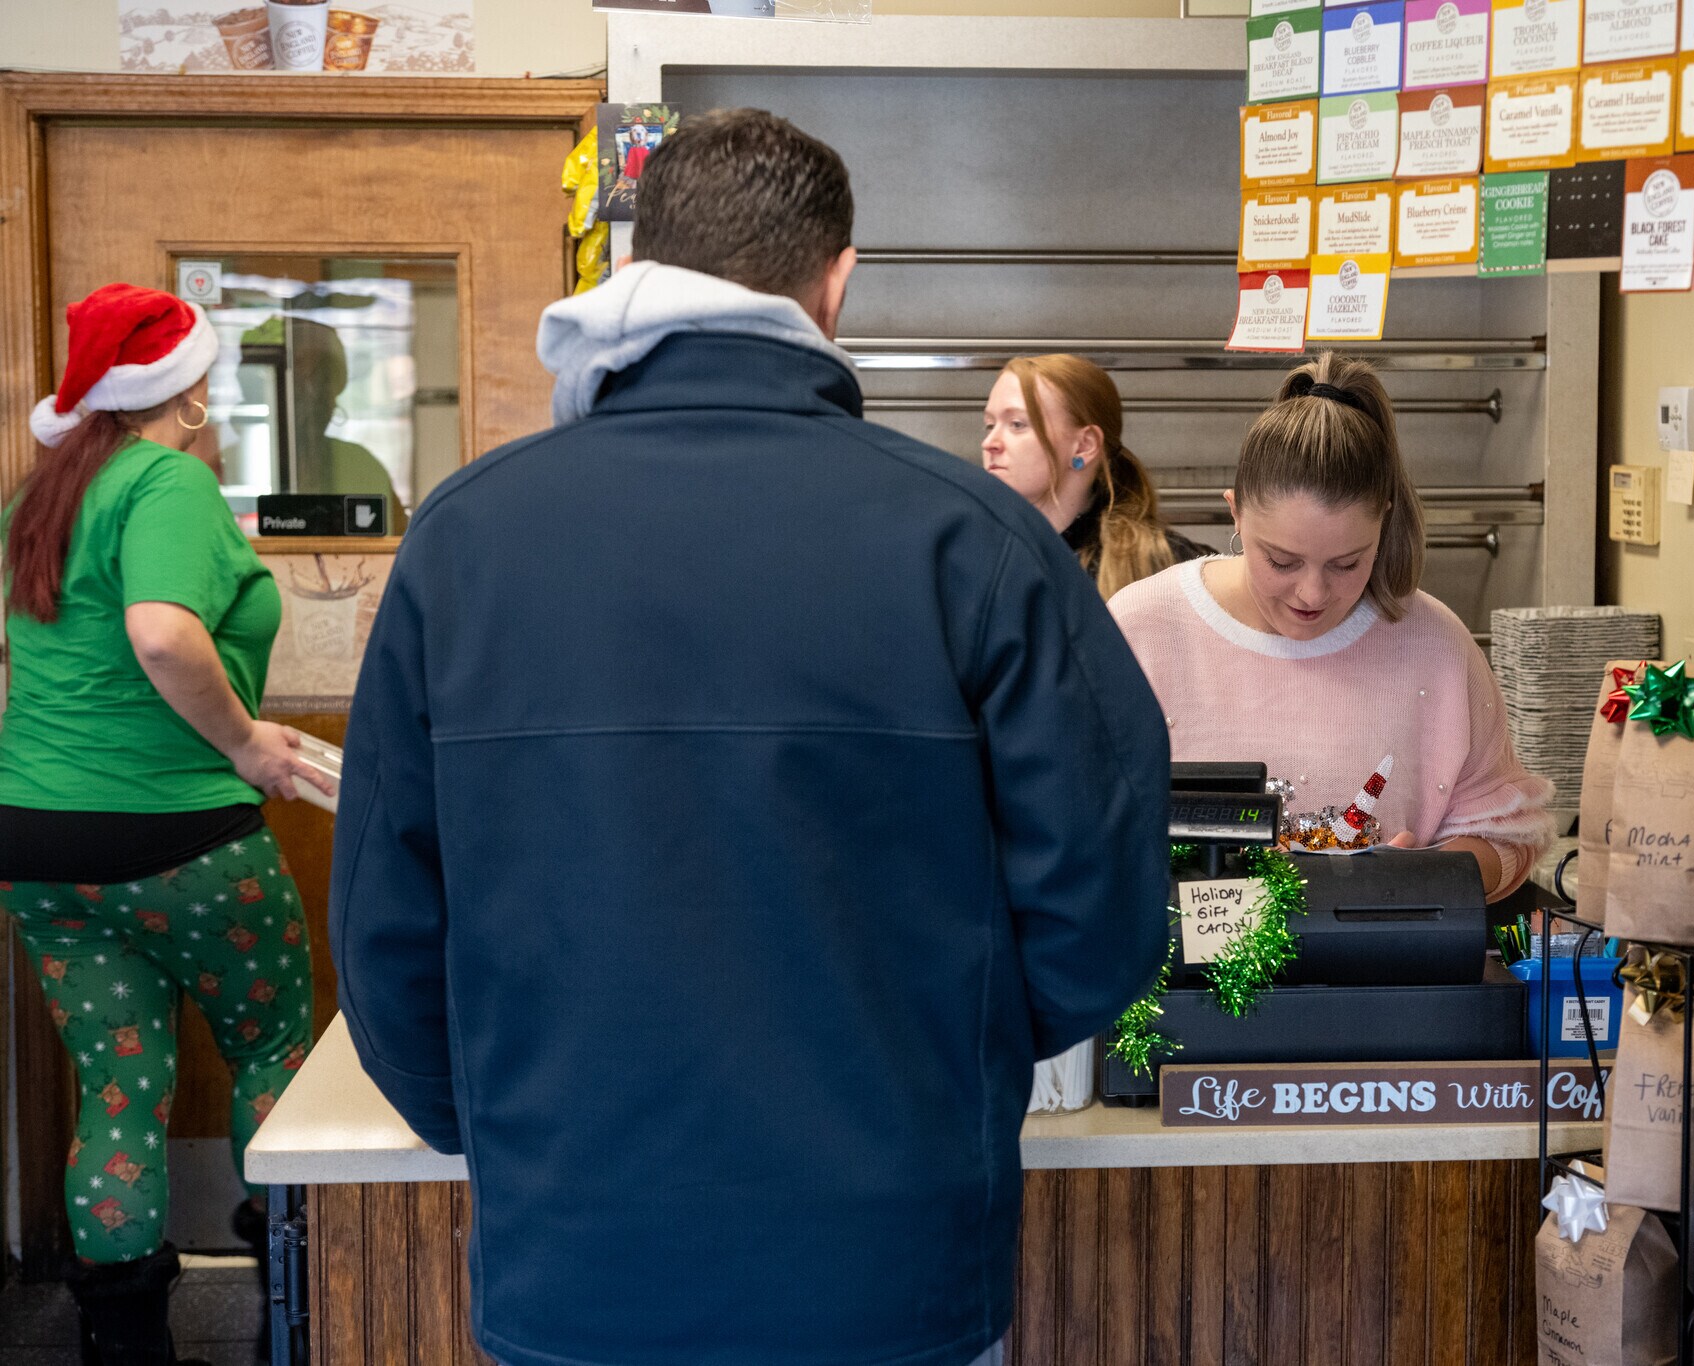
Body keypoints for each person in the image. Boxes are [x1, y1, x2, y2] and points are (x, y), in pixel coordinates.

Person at [330, 108, 1169, 1366]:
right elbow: (1103, 905)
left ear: (640, 264)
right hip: (886, 1263)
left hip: (577, 1255)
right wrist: (948, 1062)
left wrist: (509, 1125)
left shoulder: (462, 542)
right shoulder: (977, 545)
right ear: (836, 283)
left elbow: (384, 926)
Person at [1, 283, 329, 1361]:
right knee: (273, 1051)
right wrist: (244, 743)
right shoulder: (166, 480)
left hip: (39, 842)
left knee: (118, 1081)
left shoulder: (41, 496)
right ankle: (296, 1313)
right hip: (180, 837)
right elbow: (160, 632)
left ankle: (125, 1346)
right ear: (182, 390)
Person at [1109, 353, 1554, 901]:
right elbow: (1070, 822)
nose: (1312, 594)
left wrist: (1418, 878)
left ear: (1384, 521)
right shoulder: (1143, 628)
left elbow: (1506, 835)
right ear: (1236, 513)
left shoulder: (1435, 642)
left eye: (1347, 564)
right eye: (1281, 561)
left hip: (1380, 956)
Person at [980, 354, 1205, 598]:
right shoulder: (972, 554)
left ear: (1084, 446)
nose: (989, 443)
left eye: (1017, 424)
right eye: (990, 425)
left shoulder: (1170, 571)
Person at [238, 313, 407, 530]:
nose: (310, 396)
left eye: (322, 381)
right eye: (297, 384)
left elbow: (398, 539)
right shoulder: (234, 469)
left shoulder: (361, 466)